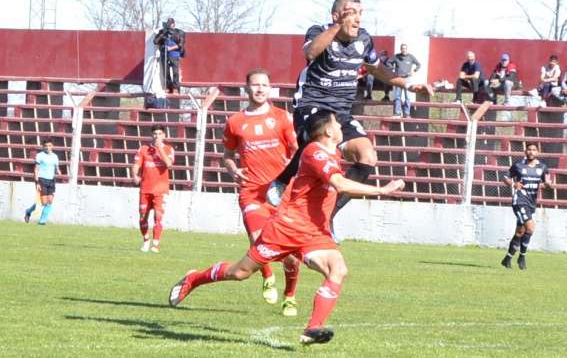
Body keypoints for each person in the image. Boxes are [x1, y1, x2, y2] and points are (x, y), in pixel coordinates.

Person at [169, 110, 405, 345]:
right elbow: (339, 184)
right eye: (337, 123)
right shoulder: (314, 152)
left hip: (314, 233)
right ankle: (194, 279)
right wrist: (381, 190)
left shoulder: (331, 153)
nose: (341, 127)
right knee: (239, 273)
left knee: (338, 269)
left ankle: (312, 329)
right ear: (328, 131)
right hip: (286, 230)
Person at [266, 0, 429, 224]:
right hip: (312, 104)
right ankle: (282, 181)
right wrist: (336, 27)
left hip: (341, 112)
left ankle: (328, 216)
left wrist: (407, 84)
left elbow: (376, 68)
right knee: (322, 137)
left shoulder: (364, 39)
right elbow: (311, 53)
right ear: (336, 16)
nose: (358, 19)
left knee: (368, 156)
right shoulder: (318, 31)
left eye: (360, 13)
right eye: (352, 12)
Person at [222, 67, 299, 314]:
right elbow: (227, 155)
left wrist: (291, 166)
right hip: (251, 192)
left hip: (280, 194)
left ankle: (290, 295)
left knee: (290, 256)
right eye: (255, 84)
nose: (260, 89)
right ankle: (267, 276)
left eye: (264, 85)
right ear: (247, 88)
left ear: (270, 88)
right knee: (259, 241)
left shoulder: (282, 117)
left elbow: (297, 152)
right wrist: (233, 169)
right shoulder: (235, 121)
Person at [501, 143, 554, 270]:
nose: (531, 152)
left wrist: (548, 184)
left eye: (534, 150)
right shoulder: (518, 165)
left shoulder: (542, 167)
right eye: (529, 149)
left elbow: (548, 184)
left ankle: (507, 259)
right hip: (519, 201)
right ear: (525, 151)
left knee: (520, 232)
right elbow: (506, 178)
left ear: (537, 152)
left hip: (531, 202)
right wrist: (513, 184)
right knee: (530, 227)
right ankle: (522, 257)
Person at [132, 124, 175, 253]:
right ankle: (146, 240)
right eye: (155, 134)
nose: (157, 136)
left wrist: (159, 149)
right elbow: (136, 165)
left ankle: (155, 244)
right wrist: (135, 175)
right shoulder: (143, 149)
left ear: (164, 135)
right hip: (145, 188)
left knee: (158, 216)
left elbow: (169, 164)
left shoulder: (168, 149)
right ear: (152, 135)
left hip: (160, 190)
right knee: (143, 217)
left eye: (159, 134)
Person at [24, 138, 61, 225]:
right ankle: (28, 211)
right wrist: (37, 183)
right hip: (42, 180)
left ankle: (42, 222)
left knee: (49, 202)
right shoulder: (40, 156)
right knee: (43, 202)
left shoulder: (55, 156)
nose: (48, 148)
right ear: (43, 147)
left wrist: (58, 171)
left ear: (52, 146)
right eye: (46, 146)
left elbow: (56, 168)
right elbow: (36, 170)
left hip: (51, 180)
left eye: (49, 146)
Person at [153, 17, 185, 92]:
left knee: (175, 72)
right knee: (166, 71)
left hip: (174, 54)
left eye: (170, 24)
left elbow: (180, 45)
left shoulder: (179, 32)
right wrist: (161, 34)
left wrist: (171, 48)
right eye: (168, 24)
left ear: (173, 24)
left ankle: (175, 88)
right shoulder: (163, 32)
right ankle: (168, 87)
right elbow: (155, 42)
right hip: (165, 54)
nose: (169, 25)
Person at [390, 43, 421, 117]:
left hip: (407, 79)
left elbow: (419, 64)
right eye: (402, 48)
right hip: (398, 79)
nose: (404, 50)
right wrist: (392, 69)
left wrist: (414, 71)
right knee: (397, 96)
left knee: (407, 97)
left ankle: (407, 113)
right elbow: (389, 62)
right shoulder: (396, 56)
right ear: (400, 49)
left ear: (407, 49)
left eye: (405, 48)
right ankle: (397, 112)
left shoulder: (410, 57)